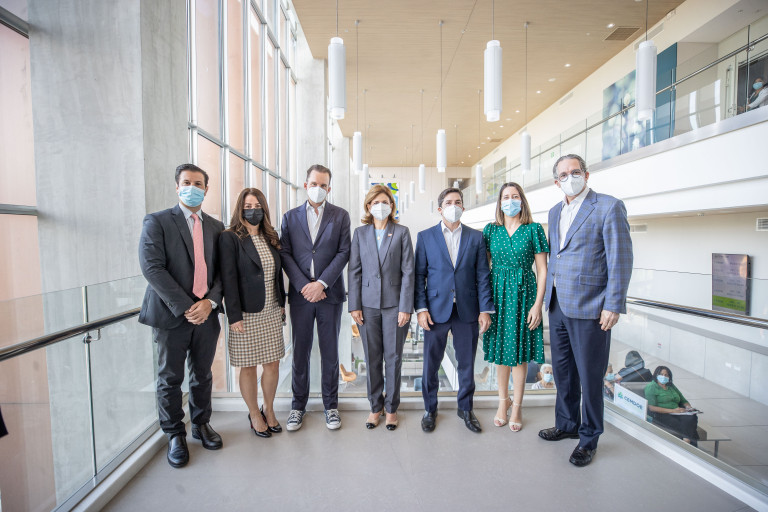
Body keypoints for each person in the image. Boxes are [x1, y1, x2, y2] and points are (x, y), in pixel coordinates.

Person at [538, 154, 633, 467]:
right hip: (558, 304)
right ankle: (567, 424)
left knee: (591, 377)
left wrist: (613, 304)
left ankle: (589, 437)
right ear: (556, 182)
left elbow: (620, 259)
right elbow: (557, 256)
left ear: (586, 175)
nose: (570, 177)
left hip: (591, 306)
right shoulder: (555, 211)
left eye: (575, 171)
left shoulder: (608, 206)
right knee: (563, 372)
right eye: (564, 174)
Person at [138, 163, 225, 468]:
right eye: (186, 182)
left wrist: (210, 302)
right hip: (171, 314)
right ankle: (175, 433)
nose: (192, 187)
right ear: (177, 187)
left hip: (207, 315)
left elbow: (223, 273)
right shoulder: (158, 221)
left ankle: (201, 424)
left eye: (198, 183)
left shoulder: (216, 227)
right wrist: (188, 306)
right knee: (170, 377)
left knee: (202, 374)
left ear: (206, 189)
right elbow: (152, 268)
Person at [415, 187, 494, 433]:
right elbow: (419, 276)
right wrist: (421, 308)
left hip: (467, 310)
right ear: (440, 209)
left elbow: (483, 275)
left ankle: (466, 409)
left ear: (463, 207)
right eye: (449, 202)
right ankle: (430, 409)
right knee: (431, 365)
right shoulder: (425, 237)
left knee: (467, 364)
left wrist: (485, 309)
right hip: (435, 310)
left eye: (458, 202)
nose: (454, 206)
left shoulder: (476, 237)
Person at [280, 164, 351, 431]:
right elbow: (285, 253)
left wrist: (321, 283)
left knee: (330, 353)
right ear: (305, 185)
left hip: (329, 295)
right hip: (301, 297)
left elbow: (344, 252)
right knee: (300, 353)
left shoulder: (340, 216)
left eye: (323, 185)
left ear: (329, 188)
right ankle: (297, 407)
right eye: (314, 184)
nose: (318, 189)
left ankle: (331, 406)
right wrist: (304, 286)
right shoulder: (290, 217)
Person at [219, 188, 286, 438]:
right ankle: (254, 413)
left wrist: (281, 303)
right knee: (247, 366)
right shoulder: (230, 238)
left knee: (272, 364)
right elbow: (228, 279)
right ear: (240, 209)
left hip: (271, 310)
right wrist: (233, 316)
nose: (253, 210)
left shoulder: (271, 236)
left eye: (257, 206)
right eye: (248, 206)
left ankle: (268, 408)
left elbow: (277, 275)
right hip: (245, 314)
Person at [482, 182, 549, 432]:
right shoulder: (491, 230)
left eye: (515, 196)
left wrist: (538, 305)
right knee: (501, 353)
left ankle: (518, 406)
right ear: (499, 203)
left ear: (522, 200)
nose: (510, 200)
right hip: (497, 295)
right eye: (505, 197)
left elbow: (542, 270)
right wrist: (484, 305)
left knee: (519, 354)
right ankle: (503, 402)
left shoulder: (534, 229)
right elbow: (483, 269)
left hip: (524, 295)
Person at [348, 185, 415, 431]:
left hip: (395, 305)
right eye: (376, 202)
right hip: (366, 306)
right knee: (372, 357)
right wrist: (354, 305)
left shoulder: (401, 232)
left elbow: (408, 272)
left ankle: (391, 408)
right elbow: (354, 271)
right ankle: (375, 407)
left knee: (393, 358)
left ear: (392, 206)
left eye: (385, 202)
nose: (380, 206)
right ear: (368, 206)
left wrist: (405, 307)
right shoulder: (360, 233)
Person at [645, 366, 699, 445]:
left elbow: (683, 400)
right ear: (656, 375)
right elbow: (651, 407)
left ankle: (686, 441)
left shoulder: (671, 386)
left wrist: (688, 408)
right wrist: (673, 410)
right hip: (662, 414)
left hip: (677, 412)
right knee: (688, 424)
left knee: (692, 417)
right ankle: (688, 443)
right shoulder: (651, 387)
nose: (664, 377)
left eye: (666, 375)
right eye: (661, 374)